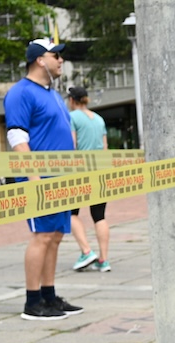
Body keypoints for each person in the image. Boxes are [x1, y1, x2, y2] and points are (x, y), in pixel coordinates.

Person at [4, 38, 83, 321]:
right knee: (42, 236)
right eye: (56, 56)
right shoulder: (20, 93)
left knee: (56, 237)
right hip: (40, 178)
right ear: (40, 59)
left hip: (61, 179)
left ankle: (49, 297)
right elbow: (17, 137)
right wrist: (34, 177)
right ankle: (32, 302)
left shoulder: (53, 94)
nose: (61, 61)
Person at [67, 86, 111, 272]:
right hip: (100, 172)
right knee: (99, 216)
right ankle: (104, 260)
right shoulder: (99, 119)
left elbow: (72, 145)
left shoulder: (72, 117)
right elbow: (105, 149)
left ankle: (86, 251)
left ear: (72, 100)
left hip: (80, 173)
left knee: (70, 213)